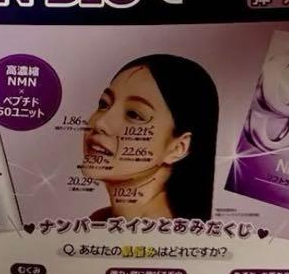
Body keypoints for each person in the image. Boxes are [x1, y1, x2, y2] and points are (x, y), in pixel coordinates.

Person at [81, 54, 218, 221]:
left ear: (178, 148)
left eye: (134, 114)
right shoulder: (99, 220)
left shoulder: (170, 232)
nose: (100, 123)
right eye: (104, 104)